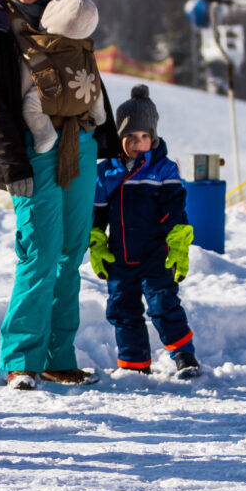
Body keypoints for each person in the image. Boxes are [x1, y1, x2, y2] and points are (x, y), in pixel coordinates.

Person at [0, 0, 120, 391]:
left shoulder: (67, 13)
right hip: (32, 150)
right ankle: (20, 359)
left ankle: (57, 355)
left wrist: (110, 141)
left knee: (71, 253)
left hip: (81, 144)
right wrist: (11, 162)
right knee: (39, 252)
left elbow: (87, 77)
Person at [89, 85, 201, 379]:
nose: (138, 143)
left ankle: (183, 355)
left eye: (144, 136)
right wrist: (96, 241)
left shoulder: (164, 170)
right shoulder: (107, 172)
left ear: (154, 137)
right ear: (119, 137)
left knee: (164, 304)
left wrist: (178, 243)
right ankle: (134, 365)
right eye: (130, 137)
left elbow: (176, 210)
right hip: (120, 256)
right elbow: (96, 214)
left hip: (156, 255)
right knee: (122, 309)